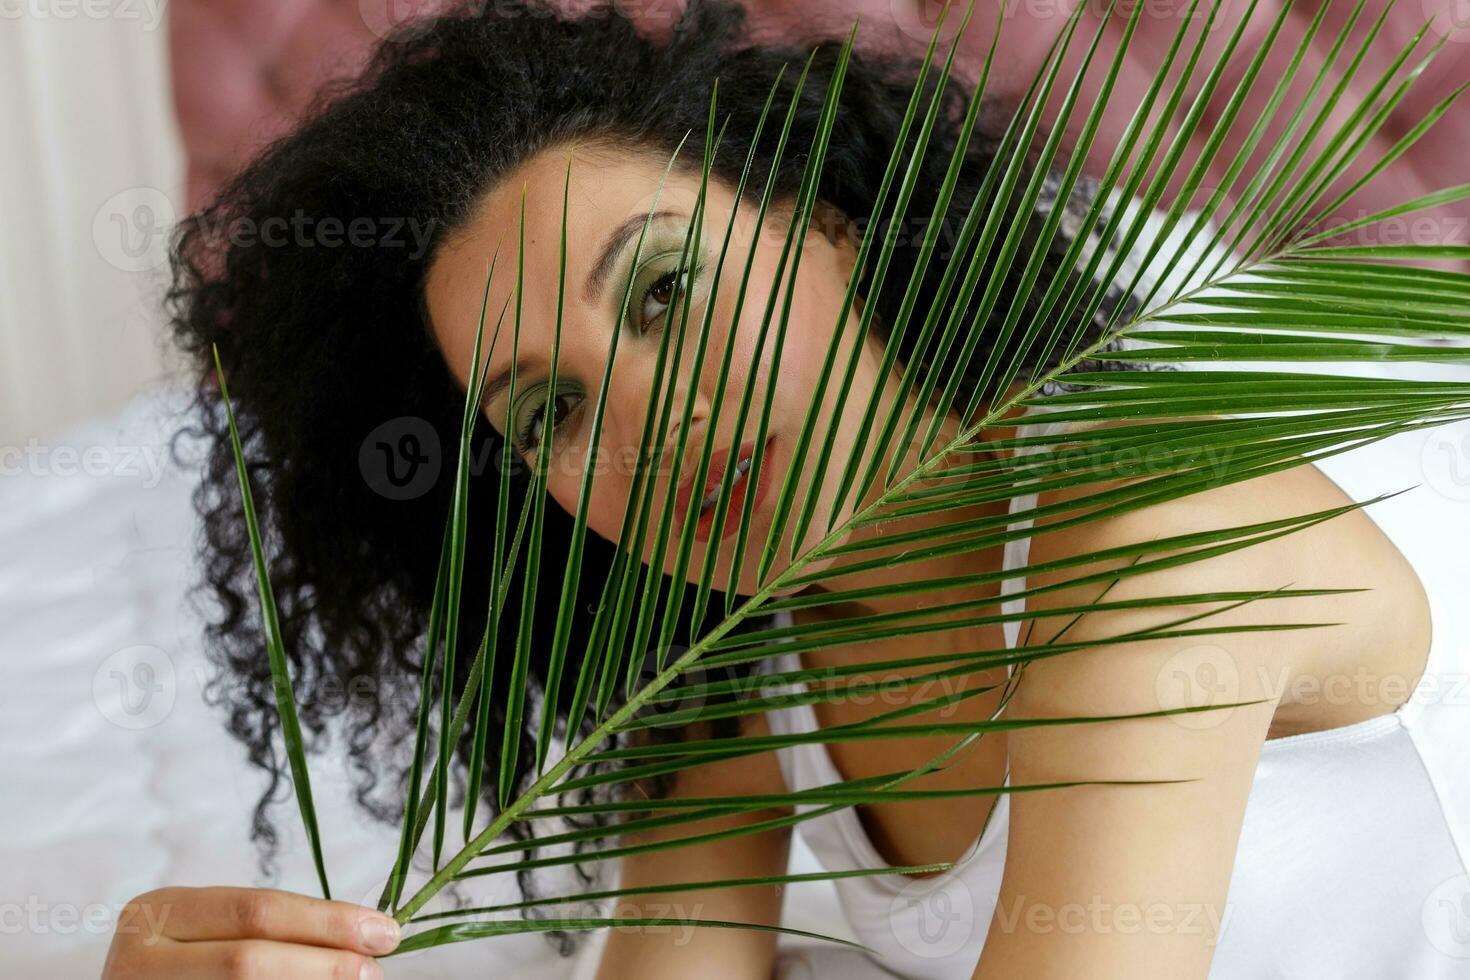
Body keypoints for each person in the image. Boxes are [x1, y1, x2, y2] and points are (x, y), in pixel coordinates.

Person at [105, 1, 1463, 977]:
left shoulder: (1152, 534)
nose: (647, 422)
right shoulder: (727, 686)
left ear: (823, 231)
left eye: (662, 293)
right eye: (553, 411)